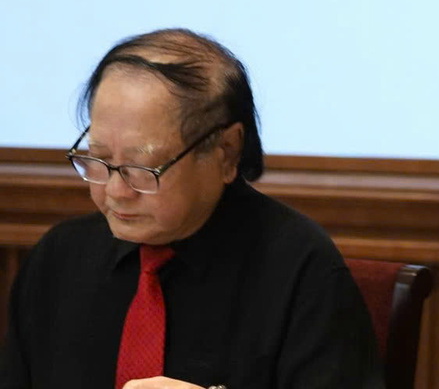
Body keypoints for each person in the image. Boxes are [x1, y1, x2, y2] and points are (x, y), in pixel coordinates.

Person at [0, 28, 382, 389]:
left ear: (226, 152)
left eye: (142, 168)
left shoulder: (300, 267)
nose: (115, 191)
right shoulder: (60, 258)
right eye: (99, 159)